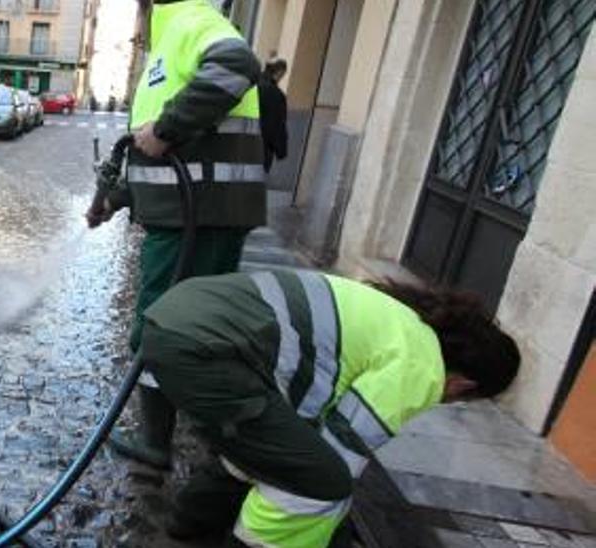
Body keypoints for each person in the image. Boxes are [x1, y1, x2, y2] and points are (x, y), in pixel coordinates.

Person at [136, 270, 519, 548]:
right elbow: (342, 450)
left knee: (277, 447)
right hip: (206, 351)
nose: (447, 400)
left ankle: (192, 522)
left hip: (179, 317)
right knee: (318, 482)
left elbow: (310, 424)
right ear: (465, 385)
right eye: (460, 400)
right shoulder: (423, 366)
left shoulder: (401, 318)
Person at [87, 0, 268, 468]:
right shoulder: (168, 41)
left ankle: (173, 445)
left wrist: (167, 128)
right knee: (182, 329)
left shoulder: (194, 20)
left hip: (201, 218)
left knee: (163, 330)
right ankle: (191, 442)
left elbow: (238, 64)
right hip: (190, 215)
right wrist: (119, 196)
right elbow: (163, 161)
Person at [258, 59, 289, 172]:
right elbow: (278, 125)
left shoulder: (252, 84)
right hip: (262, 149)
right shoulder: (277, 96)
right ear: (279, 72)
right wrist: (281, 151)